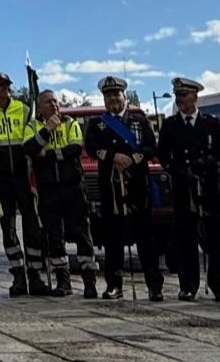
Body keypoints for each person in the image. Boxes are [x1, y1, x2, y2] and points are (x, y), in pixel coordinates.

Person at [85, 76, 163, 300]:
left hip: (137, 184)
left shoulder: (139, 120)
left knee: (145, 237)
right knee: (113, 238)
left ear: (124, 95)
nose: (113, 99)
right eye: (108, 95)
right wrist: (113, 157)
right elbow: (91, 147)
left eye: (116, 94)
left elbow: (151, 146)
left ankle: (154, 286)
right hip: (112, 186)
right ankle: (114, 285)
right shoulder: (97, 123)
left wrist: (134, 158)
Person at [157, 77, 220, 303]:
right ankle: (188, 285)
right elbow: (163, 155)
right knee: (186, 238)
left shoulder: (211, 122)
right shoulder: (170, 125)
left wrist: (208, 163)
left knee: (216, 238)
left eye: (184, 95)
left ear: (195, 97)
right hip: (184, 187)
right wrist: (177, 169)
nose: (180, 100)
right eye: (177, 96)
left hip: (210, 186)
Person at [0, 73, 46, 296]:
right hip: (0, 179)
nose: (4, 89)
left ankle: (35, 275)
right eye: (0, 85)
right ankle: (18, 275)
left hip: (23, 176)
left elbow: (33, 137)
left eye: (7, 85)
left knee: (32, 226)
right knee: (7, 227)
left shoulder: (24, 109)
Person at [23, 90, 96, 298]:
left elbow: (75, 149)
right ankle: (63, 282)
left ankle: (89, 282)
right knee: (54, 235)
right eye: (48, 102)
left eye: (55, 101)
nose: (54, 105)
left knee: (82, 233)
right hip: (48, 189)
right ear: (40, 107)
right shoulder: (33, 126)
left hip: (72, 186)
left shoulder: (70, 123)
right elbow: (29, 148)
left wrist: (46, 154)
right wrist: (47, 129)